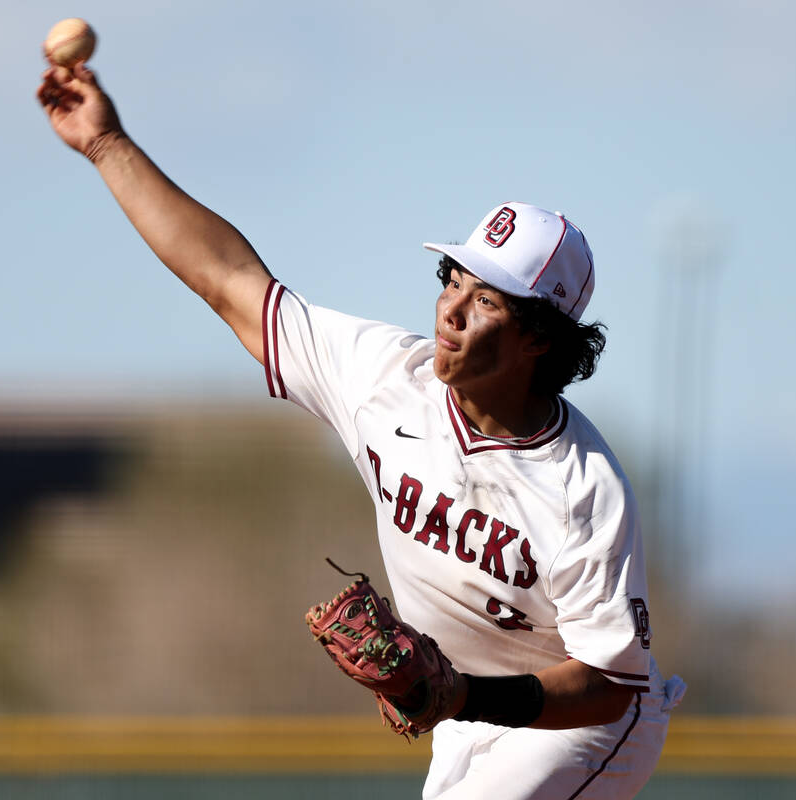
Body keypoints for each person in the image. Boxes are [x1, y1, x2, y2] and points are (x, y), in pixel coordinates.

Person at [37, 62, 685, 800]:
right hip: (467, 719)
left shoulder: (582, 488)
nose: (452, 309)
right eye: (452, 280)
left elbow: (609, 683)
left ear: (539, 337)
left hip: (586, 728)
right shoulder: (385, 379)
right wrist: (106, 144)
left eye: (488, 301)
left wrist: (467, 696)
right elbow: (231, 281)